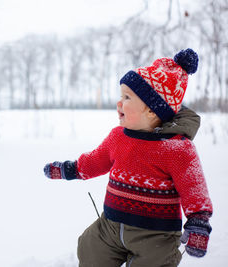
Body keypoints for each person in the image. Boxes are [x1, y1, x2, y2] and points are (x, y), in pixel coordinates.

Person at [44, 48, 213, 267]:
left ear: (152, 110)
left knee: (157, 262)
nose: (119, 103)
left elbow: (194, 189)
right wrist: (69, 169)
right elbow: (95, 161)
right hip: (110, 226)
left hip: (156, 236)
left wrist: (198, 223)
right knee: (89, 246)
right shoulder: (118, 137)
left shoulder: (177, 149)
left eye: (127, 97)